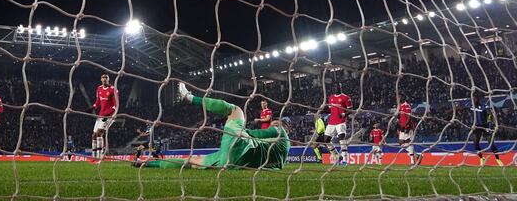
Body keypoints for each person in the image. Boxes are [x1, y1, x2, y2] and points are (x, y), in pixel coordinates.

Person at [137, 82, 290, 169]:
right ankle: (148, 164)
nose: (275, 122)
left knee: (235, 109)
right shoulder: (281, 159)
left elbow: (260, 134)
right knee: (192, 161)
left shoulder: (280, 130)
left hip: (240, 146)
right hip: (231, 164)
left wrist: (245, 132)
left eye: (277, 122)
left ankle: (189, 97)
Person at [90, 73, 118, 160]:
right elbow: (97, 102)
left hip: (110, 115)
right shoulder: (99, 88)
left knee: (99, 133)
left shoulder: (113, 89)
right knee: (94, 135)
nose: (104, 79)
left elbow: (115, 105)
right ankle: (94, 156)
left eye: (106, 77)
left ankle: (100, 155)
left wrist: (109, 114)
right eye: (103, 77)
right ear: (101, 79)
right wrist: (92, 108)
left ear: (108, 79)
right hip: (101, 115)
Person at [471, 93, 504, 166]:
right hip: (476, 127)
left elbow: (490, 114)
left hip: (485, 126)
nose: (473, 100)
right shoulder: (470, 106)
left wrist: (489, 123)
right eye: (472, 98)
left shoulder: (484, 106)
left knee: (491, 144)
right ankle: (481, 158)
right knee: (475, 143)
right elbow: (461, 108)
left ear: (477, 99)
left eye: (474, 98)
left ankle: (498, 159)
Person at [323, 81, 352, 165]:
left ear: (341, 87)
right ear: (333, 88)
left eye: (338, 86)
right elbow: (330, 109)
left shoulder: (346, 98)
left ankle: (345, 160)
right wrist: (323, 109)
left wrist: (344, 114)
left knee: (342, 140)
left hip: (341, 122)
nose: (337, 88)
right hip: (331, 122)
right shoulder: (331, 97)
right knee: (326, 140)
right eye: (335, 87)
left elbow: (350, 110)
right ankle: (337, 156)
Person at [397, 96, 420, 165]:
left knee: (408, 142)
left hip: (408, 127)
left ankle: (412, 161)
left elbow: (410, 117)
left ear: (402, 98)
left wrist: (406, 126)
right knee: (401, 143)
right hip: (402, 127)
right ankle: (417, 156)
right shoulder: (400, 106)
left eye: (398, 97)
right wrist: (399, 126)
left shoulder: (407, 106)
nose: (397, 99)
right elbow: (399, 117)